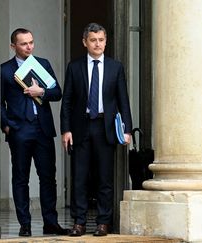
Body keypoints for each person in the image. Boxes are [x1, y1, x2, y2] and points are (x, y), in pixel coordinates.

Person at [60, 22, 132, 237]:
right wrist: (66, 129)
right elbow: (67, 102)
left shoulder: (115, 67)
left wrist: (126, 129)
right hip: (81, 127)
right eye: (93, 40)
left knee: (104, 179)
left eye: (101, 40)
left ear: (106, 41)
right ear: (85, 42)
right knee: (79, 178)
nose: (97, 44)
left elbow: (123, 101)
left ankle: (103, 222)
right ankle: (79, 222)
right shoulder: (74, 67)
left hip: (105, 128)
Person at [0, 28, 66, 237]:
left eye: (31, 42)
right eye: (24, 44)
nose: (29, 47)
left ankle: (50, 223)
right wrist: (7, 126)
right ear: (13, 46)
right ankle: (24, 224)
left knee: (48, 178)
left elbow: (57, 93)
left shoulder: (42, 64)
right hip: (19, 130)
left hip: (42, 129)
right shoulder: (4, 70)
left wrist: (40, 91)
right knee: (20, 179)